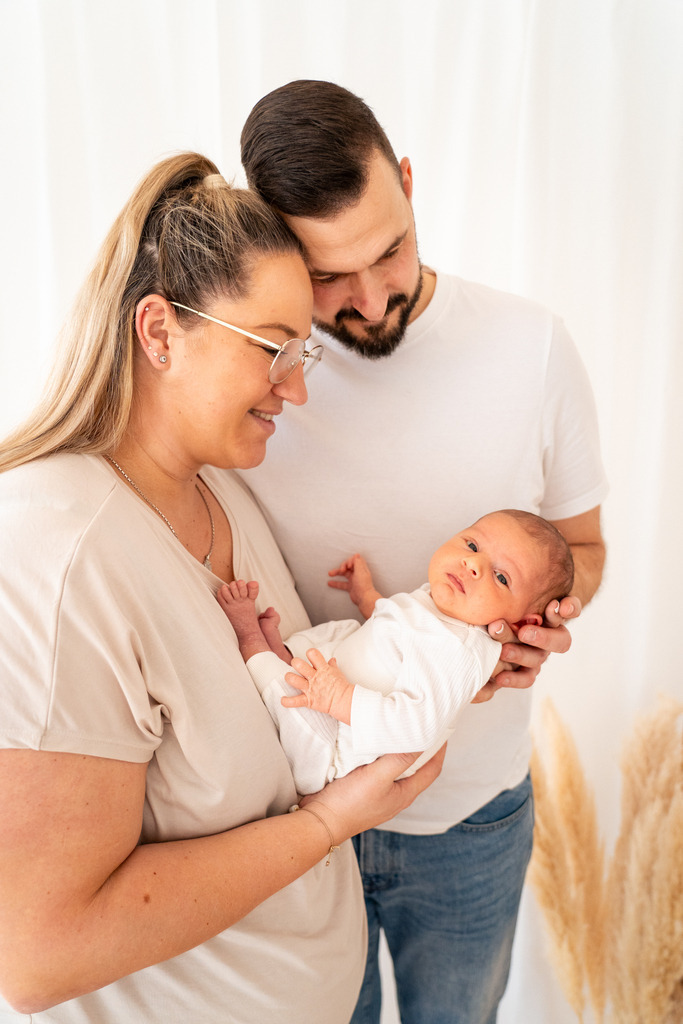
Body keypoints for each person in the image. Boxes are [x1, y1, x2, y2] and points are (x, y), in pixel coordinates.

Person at [0, 152, 444, 1023]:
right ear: (160, 333)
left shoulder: (218, 490)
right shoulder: (52, 555)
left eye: (303, 351)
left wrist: (441, 639)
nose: (300, 389)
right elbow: (38, 952)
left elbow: (275, 694)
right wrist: (331, 824)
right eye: (275, 351)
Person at [238, 80, 608, 1024]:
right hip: (296, 819)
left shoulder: (531, 348)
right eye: (327, 276)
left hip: (474, 815)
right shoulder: (251, 384)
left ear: (406, 183)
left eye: (390, 249)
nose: (370, 298)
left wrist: (545, 622)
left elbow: (582, 546)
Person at [219, 510, 574, 795]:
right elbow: (399, 628)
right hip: (337, 694)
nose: (473, 564)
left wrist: (339, 699)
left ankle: (251, 640)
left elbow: (415, 728)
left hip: (332, 746)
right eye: (472, 545)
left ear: (523, 621)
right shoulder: (450, 611)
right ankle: (282, 654)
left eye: (501, 578)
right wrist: (366, 596)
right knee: (347, 635)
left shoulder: (458, 650)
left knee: (290, 698)